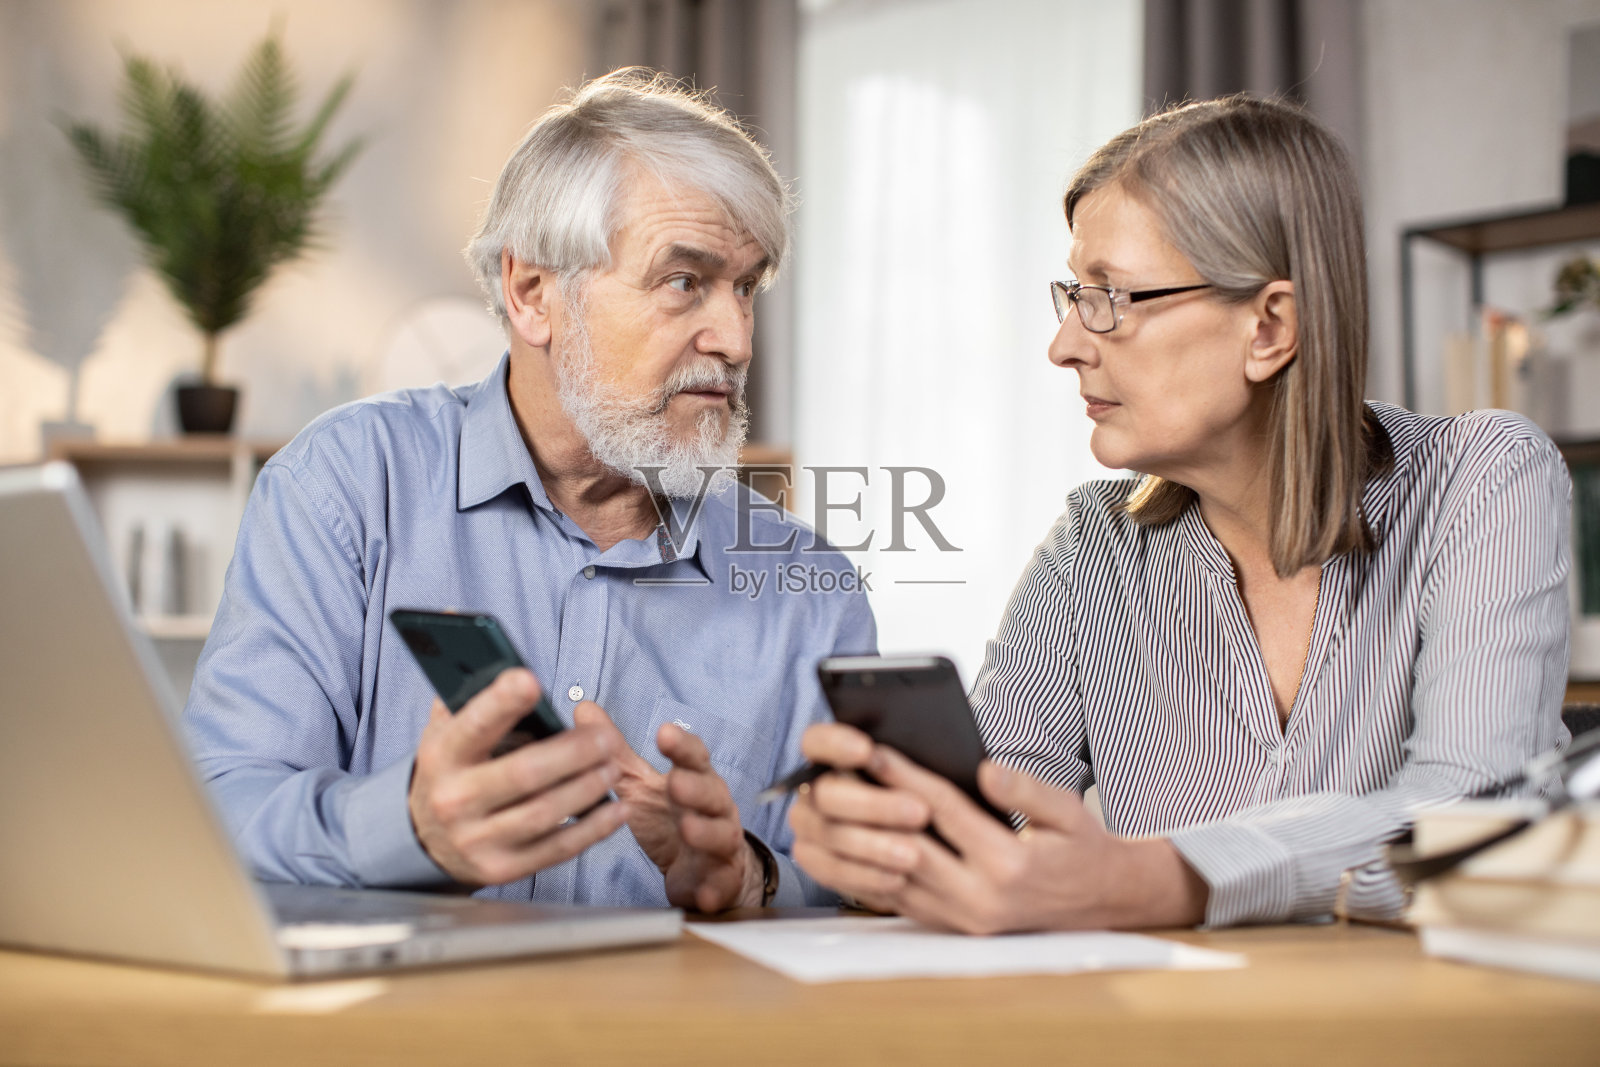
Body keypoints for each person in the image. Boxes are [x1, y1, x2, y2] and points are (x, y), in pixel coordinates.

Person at [787, 95, 1571, 932]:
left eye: (1114, 296)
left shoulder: (1483, 480)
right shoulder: (1093, 545)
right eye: (1075, 293)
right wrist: (902, 842)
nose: (1066, 344)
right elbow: (1002, 807)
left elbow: (1469, 820)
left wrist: (1161, 878)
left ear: (1270, 327)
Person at [183, 70, 874, 912]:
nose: (733, 339)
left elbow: (864, 888)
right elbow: (218, 806)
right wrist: (406, 827)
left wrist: (753, 880)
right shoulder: (349, 488)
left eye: (747, 287)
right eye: (685, 281)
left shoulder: (811, 590)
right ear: (532, 292)